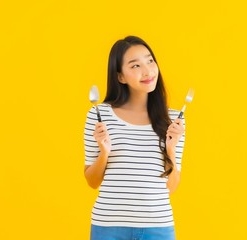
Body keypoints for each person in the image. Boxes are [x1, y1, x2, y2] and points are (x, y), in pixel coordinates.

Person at [84, 36, 186, 240]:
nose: (148, 71)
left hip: (158, 227)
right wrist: (104, 153)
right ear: (120, 76)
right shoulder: (99, 115)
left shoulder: (173, 120)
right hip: (109, 226)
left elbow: (170, 188)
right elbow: (92, 181)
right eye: (135, 65)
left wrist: (171, 150)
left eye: (150, 61)